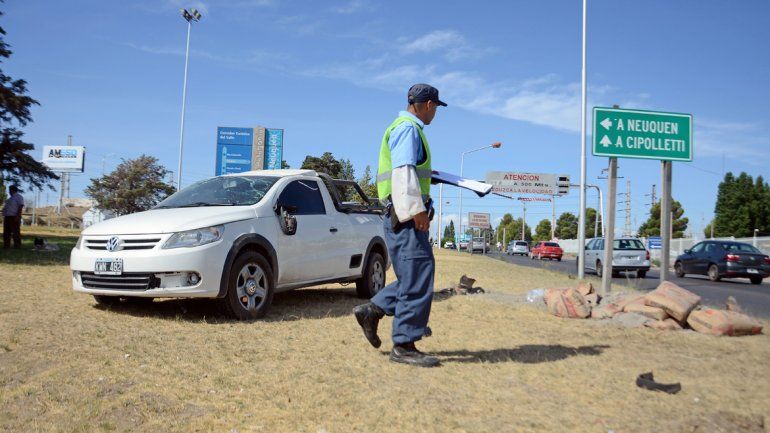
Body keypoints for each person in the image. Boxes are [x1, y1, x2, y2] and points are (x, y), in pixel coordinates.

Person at [353, 83, 446, 368]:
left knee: (414, 276)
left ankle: (373, 310)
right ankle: (404, 345)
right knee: (418, 276)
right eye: (435, 109)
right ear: (429, 104)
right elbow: (403, 173)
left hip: (400, 216)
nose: (435, 114)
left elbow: (411, 171)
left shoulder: (403, 126)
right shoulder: (408, 128)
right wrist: (416, 211)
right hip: (405, 217)